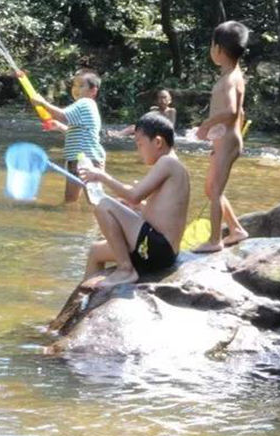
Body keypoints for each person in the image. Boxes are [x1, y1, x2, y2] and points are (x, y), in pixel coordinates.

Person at [79, 113, 191, 288]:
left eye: (140, 144)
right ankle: (84, 299)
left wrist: (101, 176)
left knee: (103, 205)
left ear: (158, 142)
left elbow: (134, 195)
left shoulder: (167, 163)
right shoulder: (174, 165)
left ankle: (125, 269)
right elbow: (159, 213)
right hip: (161, 251)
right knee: (95, 251)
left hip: (157, 249)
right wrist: (137, 207)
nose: (138, 151)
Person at [193, 21, 250, 253]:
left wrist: (206, 125)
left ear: (217, 49)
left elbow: (232, 111)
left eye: (211, 45)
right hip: (226, 141)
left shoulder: (228, 80)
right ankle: (236, 229)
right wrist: (216, 139)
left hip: (228, 142)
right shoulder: (234, 75)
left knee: (215, 191)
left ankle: (215, 240)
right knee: (211, 189)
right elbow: (240, 114)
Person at [33, 70, 106, 203]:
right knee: (71, 200)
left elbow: (62, 116)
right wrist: (59, 127)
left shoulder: (85, 103)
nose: (76, 89)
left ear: (93, 91)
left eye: (81, 86)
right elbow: (78, 132)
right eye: (74, 85)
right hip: (77, 159)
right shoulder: (84, 106)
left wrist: (43, 103)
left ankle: (108, 214)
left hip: (88, 159)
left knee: (95, 200)